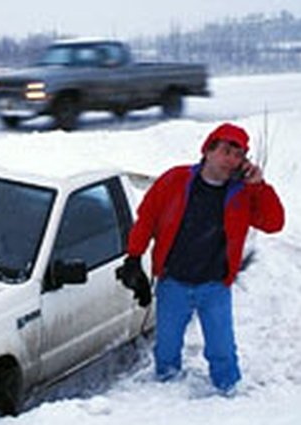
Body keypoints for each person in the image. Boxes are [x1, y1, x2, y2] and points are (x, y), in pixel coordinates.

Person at [116, 122, 285, 395]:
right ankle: (166, 396)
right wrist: (133, 257)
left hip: (215, 286)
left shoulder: (242, 193)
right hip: (174, 282)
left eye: (239, 154)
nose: (232, 159)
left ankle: (229, 394)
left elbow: (274, 223)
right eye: (226, 151)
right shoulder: (175, 180)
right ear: (207, 150)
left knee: (222, 351)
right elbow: (146, 219)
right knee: (167, 348)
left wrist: (259, 187)